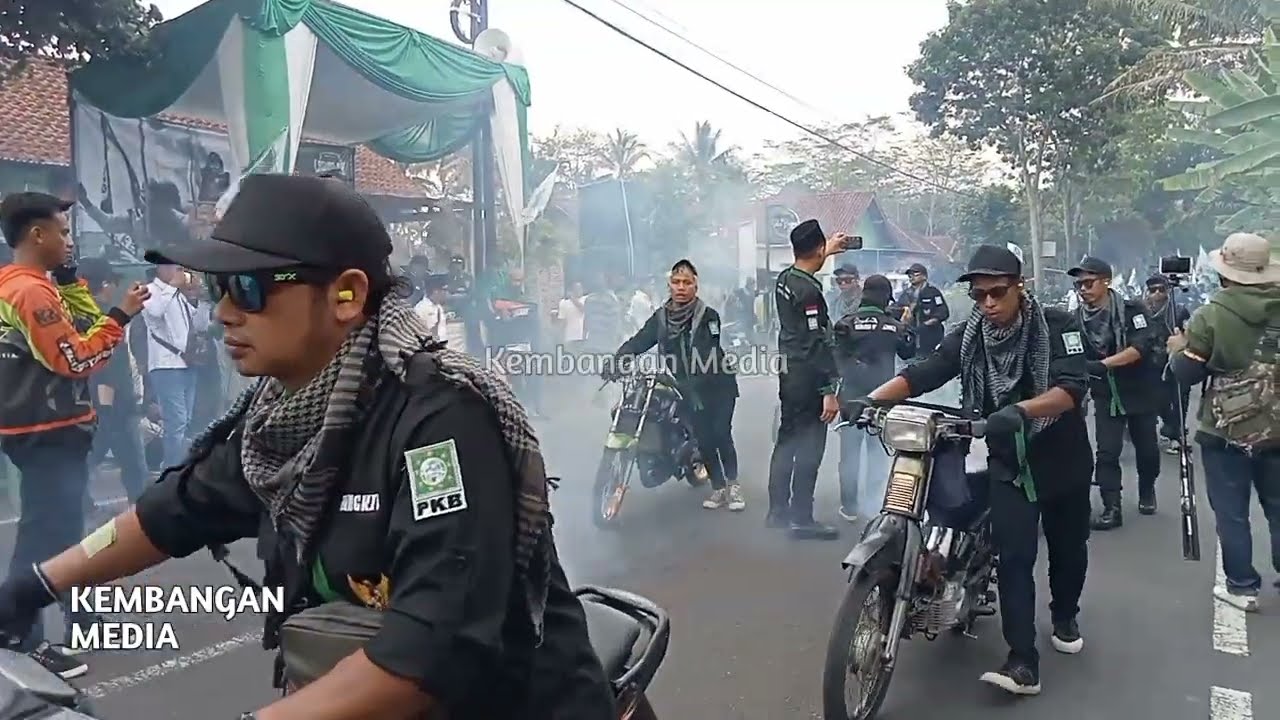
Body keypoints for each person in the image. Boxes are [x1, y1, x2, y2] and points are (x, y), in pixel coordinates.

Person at [0, 175, 616, 718]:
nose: (221, 314)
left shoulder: (442, 419)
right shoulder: (282, 414)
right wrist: (37, 584)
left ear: (345, 295)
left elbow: (431, 646)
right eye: (216, 288)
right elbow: (173, 511)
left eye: (246, 287)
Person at [848, 245, 1092, 695]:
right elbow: (927, 371)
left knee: (1068, 549)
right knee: (1016, 556)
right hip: (1008, 460)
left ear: (1020, 286)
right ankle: (1023, 661)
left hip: (1060, 457)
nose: (989, 304)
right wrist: (873, 399)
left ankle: (1065, 613)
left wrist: (1019, 411)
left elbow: (1071, 389)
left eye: (997, 292)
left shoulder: (1058, 326)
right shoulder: (969, 334)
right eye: (979, 296)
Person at [0, 192, 150, 676]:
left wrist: (70, 281)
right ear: (36, 235)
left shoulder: (33, 284)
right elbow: (76, 357)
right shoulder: (29, 292)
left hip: (50, 428)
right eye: (62, 232)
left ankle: (79, 616)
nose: (68, 240)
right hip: (45, 429)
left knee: (67, 528)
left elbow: (83, 321)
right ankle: (18, 637)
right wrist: (122, 316)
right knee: (46, 535)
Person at [1166, 232, 1280, 612]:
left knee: (1232, 511)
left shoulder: (1211, 314)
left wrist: (1177, 350)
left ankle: (1242, 587)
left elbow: (1186, 374)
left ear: (1225, 273)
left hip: (1226, 428)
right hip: (1278, 428)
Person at [609, 259, 743, 511]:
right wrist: (618, 360)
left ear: (695, 286)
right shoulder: (661, 318)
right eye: (676, 282)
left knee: (720, 435)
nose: (681, 287)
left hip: (717, 386)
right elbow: (640, 341)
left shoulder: (708, 316)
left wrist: (691, 382)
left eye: (687, 282)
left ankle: (733, 486)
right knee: (703, 439)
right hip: (686, 389)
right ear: (669, 285)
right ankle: (718, 488)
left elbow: (708, 353)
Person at [767, 219, 851, 539]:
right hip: (808, 376)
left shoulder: (785, 279)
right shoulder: (809, 291)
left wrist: (827, 248)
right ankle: (802, 517)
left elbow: (807, 263)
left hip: (789, 373)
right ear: (817, 249)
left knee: (786, 441)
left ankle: (778, 511)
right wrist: (829, 390)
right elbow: (816, 343)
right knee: (810, 446)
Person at [1069, 256, 1161, 528]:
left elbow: (1139, 348)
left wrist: (1101, 365)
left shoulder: (1134, 311)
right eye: (1079, 284)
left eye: (1088, 282)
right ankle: (1112, 508)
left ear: (1106, 281)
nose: (1083, 289)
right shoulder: (1076, 320)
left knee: (1147, 449)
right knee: (1106, 452)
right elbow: (1074, 355)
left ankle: (1147, 489)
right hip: (1105, 393)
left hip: (1138, 389)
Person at [832, 274, 915, 521]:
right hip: (883, 397)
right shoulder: (894, 326)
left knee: (849, 453)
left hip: (851, 397)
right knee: (878, 451)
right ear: (885, 297)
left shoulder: (846, 324)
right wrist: (906, 324)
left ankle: (849, 507)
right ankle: (873, 503)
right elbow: (909, 352)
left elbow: (835, 360)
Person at [78, 258, 149, 504]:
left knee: (90, 458)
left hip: (95, 403)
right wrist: (106, 409)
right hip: (113, 405)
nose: (113, 289)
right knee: (132, 463)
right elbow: (108, 366)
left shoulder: (80, 314)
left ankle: (83, 506)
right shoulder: (103, 316)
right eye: (110, 283)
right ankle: (140, 513)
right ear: (103, 285)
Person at [141, 263, 213, 467]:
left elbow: (200, 325)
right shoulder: (150, 291)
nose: (182, 273)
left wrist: (202, 300)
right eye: (177, 268)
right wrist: (173, 286)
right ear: (161, 269)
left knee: (185, 419)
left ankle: (175, 465)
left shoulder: (178, 296)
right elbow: (155, 312)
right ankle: (171, 469)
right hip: (166, 365)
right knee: (177, 421)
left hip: (187, 363)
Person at [1143, 275, 1193, 453]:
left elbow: (1189, 335)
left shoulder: (1179, 312)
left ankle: (1176, 435)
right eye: (1153, 290)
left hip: (1176, 362)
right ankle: (1169, 426)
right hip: (1152, 365)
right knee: (1159, 402)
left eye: (1161, 289)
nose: (1157, 294)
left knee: (1180, 399)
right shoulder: (1142, 313)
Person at [902, 262, 950, 353]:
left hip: (931, 337)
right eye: (909, 274)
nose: (911, 276)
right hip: (912, 339)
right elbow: (899, 309)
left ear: (924, 276)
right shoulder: (907, 293)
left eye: (915, 273)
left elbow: (943, 313)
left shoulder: (933, 292)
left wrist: (925, 325)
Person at [412, 272, 450, 339]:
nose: (447, 293)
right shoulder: (420, 308)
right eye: (444, 290)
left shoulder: (438, 307)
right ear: (436, 291)